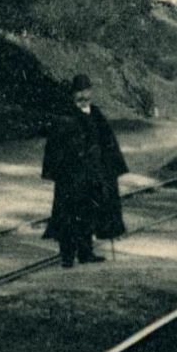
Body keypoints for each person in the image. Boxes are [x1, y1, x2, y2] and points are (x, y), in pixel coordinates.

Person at [41, 74, 128, 268]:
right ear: (73, 95)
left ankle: (86, 253)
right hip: (71, 178)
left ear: (91, 92)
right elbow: (54, 146)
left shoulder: (96, 114)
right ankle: (67, 256)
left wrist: (109, 168)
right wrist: (60, 169)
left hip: (92, 176)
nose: (83, 96)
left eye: (86, 92)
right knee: (68, 217)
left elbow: (108, 143)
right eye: (78, 92)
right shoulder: (64, 115)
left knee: (89, 214)